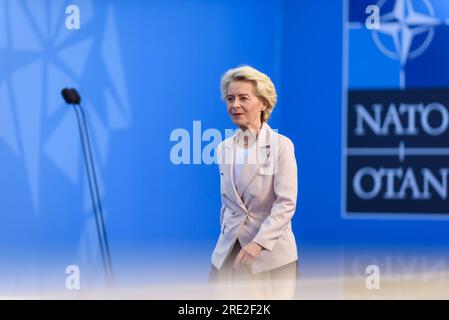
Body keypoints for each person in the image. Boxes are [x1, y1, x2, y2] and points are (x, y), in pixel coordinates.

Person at [210, 65, 299, 299]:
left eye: (243, 98)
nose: (234, 105)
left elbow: (286, 204)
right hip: (227, 254)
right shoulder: (222, 149)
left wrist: (258, 244)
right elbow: (230, 205)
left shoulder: (281, 146)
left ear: (263, 103)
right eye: (230, 98)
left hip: (270, 257)